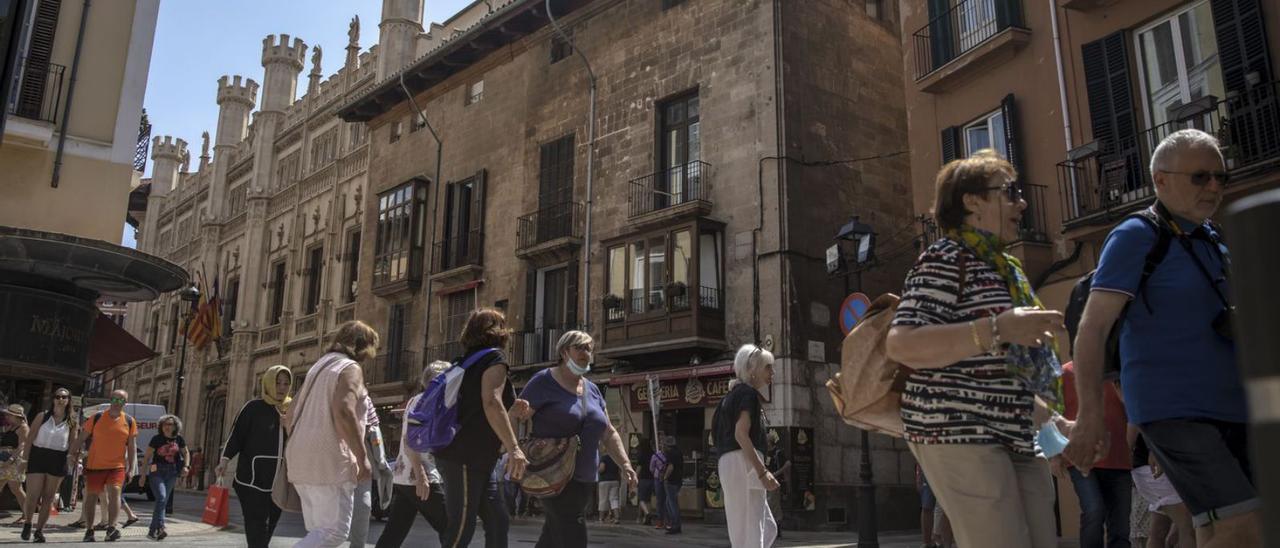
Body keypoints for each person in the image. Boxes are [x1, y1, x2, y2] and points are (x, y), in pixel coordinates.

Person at [1067, 129, 1257, 548]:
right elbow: (1092, 327)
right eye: (1200, 177)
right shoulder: (1136, 235)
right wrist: (1090, 416)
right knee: (1242, 525)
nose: (1213, 187)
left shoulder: (1213, 239)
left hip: (1232, 407)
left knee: (1216, 527)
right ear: (1161, 179)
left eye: (1220, 178)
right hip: (1174, 409)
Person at [885, 150, 1065, 548]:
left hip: (1016, 430)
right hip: (956, 428)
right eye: (1009, 192)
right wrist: (998, 328)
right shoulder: (945, 258)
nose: (1022, 203)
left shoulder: (1004, 268)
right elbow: (902, 343)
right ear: (972, 201)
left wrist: (1052, 422)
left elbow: (1005, 362)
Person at [509, 330, 638, 548]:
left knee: (552, 535)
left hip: (584, 477)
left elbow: (608, 432)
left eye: (588, 348)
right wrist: (513, 449)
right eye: (579, 347)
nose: (585, 353)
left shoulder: (593, 389)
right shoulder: (543, 381)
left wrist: (626, 464)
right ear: (563, 352)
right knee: (573, 534)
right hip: (551, 473)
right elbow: (516, 415)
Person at [432, 308, 527, 548]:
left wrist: (513, 407)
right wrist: (514, 448)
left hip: (476, 458)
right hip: (466, 457)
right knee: (462, 526)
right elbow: (491, 402)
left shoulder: (463, 362)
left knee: (497, 520)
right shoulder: (494, 358)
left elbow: (475, 405)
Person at [285, 321, 377, 548]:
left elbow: (289, 414)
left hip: (300, 457)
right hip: (328, 459)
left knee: (318, 532)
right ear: (362, 346)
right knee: (334, 533)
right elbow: (344, 410)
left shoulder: (319, 366)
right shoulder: (350, 368)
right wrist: (362, 457)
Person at [374, 361, 450, 548]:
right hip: (422, 477)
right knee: (452, 529)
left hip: (404, 477)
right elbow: (411, 440)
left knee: (393, 533)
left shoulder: (417, 400)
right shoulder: (428, 401)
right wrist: (421, 474)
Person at [217, 365, 293, 548]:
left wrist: (288, 425)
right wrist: (224, 460)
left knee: (268, 530)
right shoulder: (253, 408)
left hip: (279, 484)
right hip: (251, 482)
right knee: (256, 528)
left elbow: (302, 441)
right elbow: (236, 436)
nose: (282, 387)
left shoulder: (291, 410)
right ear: (268, 383)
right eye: (278, 382)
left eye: (286, 383)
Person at [711, 344, 780, 548]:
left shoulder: (728, 398)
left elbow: (721, 436)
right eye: (767, 367)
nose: (772, 372)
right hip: (744, 462)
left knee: (764, 527)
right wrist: (761, 471)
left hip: (730, 463)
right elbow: (741, 434)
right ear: (752, 369)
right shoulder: (748, 394)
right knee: (753, 530)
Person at [1058, 362, 1132, 548]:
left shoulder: (1120, 370)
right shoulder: (1064, 372)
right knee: (1094, 510)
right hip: (1081, 458)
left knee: (1121, 525)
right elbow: (1053, 414)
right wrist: (1054, 456)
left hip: (1119, 458)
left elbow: (1134, 410)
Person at [78, 389, 139, 542]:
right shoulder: (96, 417)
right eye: (115, 399)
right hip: (95, 465)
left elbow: (131, 447)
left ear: (125, 403)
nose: (118, 403)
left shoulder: (130, 421)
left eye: (121, 400)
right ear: (110, 400)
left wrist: (131, 468)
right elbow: (81, 437)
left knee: (115, 493)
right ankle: (89, 529)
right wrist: (71, 453)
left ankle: (111, 528)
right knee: (91, 497)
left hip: (117, 466)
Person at [18, 388, 77, 542]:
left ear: (69, 400)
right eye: (57, 396)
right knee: (32, 495)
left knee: (49, 497)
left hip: (58, 458)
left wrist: (72, 457)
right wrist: (24, 461)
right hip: (38, 455)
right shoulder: (42, 416)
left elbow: (72, 443)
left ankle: (39, 531)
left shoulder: (72, 421)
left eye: (64, 397)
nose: (60, 399)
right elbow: (29, 439)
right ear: (53, 399)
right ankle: (28, 523)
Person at [349, 392, 389, 548]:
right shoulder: (330, 395)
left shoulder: (365, 399)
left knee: (364, 508)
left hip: (362, 462)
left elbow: (374, 431)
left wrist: (380, 462)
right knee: (334, 523)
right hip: (336, 460)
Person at [140, 415, 190, 540]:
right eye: (165, 424)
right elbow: (146, 457)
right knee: (162, 498)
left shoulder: (179, 439)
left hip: (172, 472)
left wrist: (186, 466)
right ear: (161, 426)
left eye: (170, 424)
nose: (167, 427)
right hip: (157, 471)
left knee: (162, 502)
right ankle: (161, 527)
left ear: (175, 426)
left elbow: (186, 452)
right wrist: (142, 475)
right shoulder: (156, 439)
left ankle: (152, 531)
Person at [1, 403, 30, 526]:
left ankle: (26, 515)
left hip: (14, 460)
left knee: (16, 489)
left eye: (9, 415)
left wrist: (11, 460)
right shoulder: (11, 427)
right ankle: (26, 514)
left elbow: (22, 446)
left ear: (16, 416)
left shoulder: (23, 427)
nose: (7, 416)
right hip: (4, 459)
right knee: (13, 488)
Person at [764, 429, 790, 536]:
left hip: (775, 482)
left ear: (769, 441)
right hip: (765, 481)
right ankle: (771, 528)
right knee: (767, 505)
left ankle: (777, 528)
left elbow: (788, 463)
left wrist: (776, 473)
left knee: (773, 505)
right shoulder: (765, 452)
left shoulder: (778, 452)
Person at [660, 436, 684, 535]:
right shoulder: (678, 452)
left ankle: (675, 525)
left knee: (672, 503)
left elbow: (670, 467)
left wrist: (665, 477)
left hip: (671, 481)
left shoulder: (671, 453)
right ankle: (673, 523)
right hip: (678, 480)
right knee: (669, 503)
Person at [635, 438, 655, 525]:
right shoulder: (653, 454)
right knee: (648, 500)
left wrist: (634, 477)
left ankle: (647, 514)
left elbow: (639, 468)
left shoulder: (641, 455)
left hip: (643, 479)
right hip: (652, 479)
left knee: (641, 499)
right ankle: (643, 518)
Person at [649, 439, 669, 529]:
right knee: (662, 500)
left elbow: (651, 468)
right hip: (662, 479)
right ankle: (663, 521)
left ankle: (664, 521)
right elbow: (651, 468)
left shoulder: (658, 456)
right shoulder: (659, 456)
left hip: (663, 479)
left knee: (664, 500)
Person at [597, 453, 621, 524]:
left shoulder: (604, 457)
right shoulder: (616, 457)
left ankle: (601, 518)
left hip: (605, 481)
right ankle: (616, 518)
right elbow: (619, 470)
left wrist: (597, 471)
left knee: (603, 499)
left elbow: (602, 468)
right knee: (614, 499)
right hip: (615, 480)